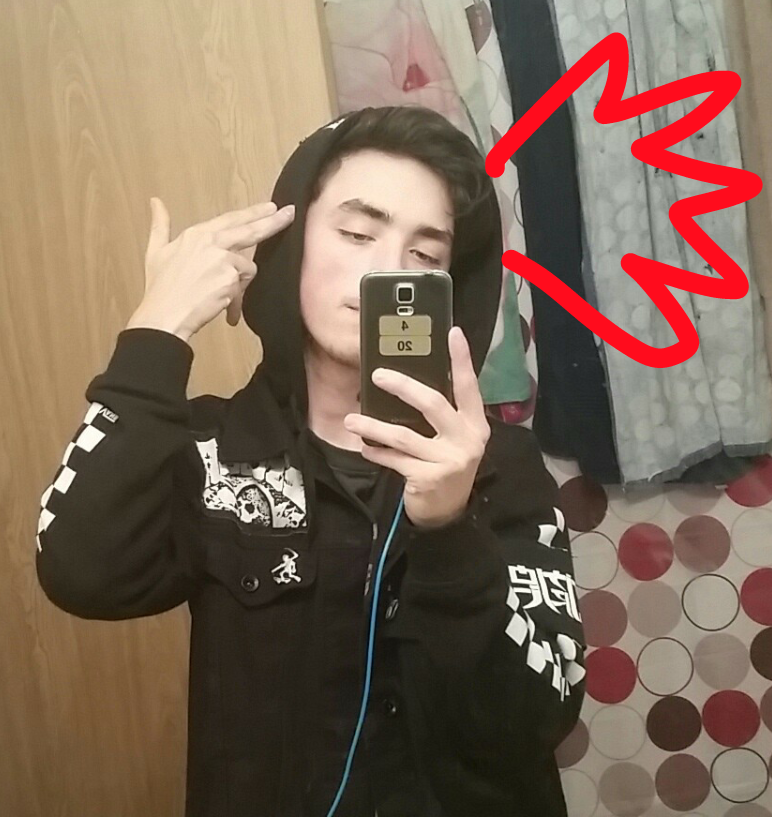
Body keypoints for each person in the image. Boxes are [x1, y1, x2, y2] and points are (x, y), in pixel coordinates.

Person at [35, 105, 586, 817]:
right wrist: (156, 331)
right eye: (357, 233)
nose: (388, 269)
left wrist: (451, 529)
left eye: (425, 256)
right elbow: (81, 571)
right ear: (291, 244)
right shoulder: (212, 449)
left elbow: (540, 716)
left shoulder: (497, 464)